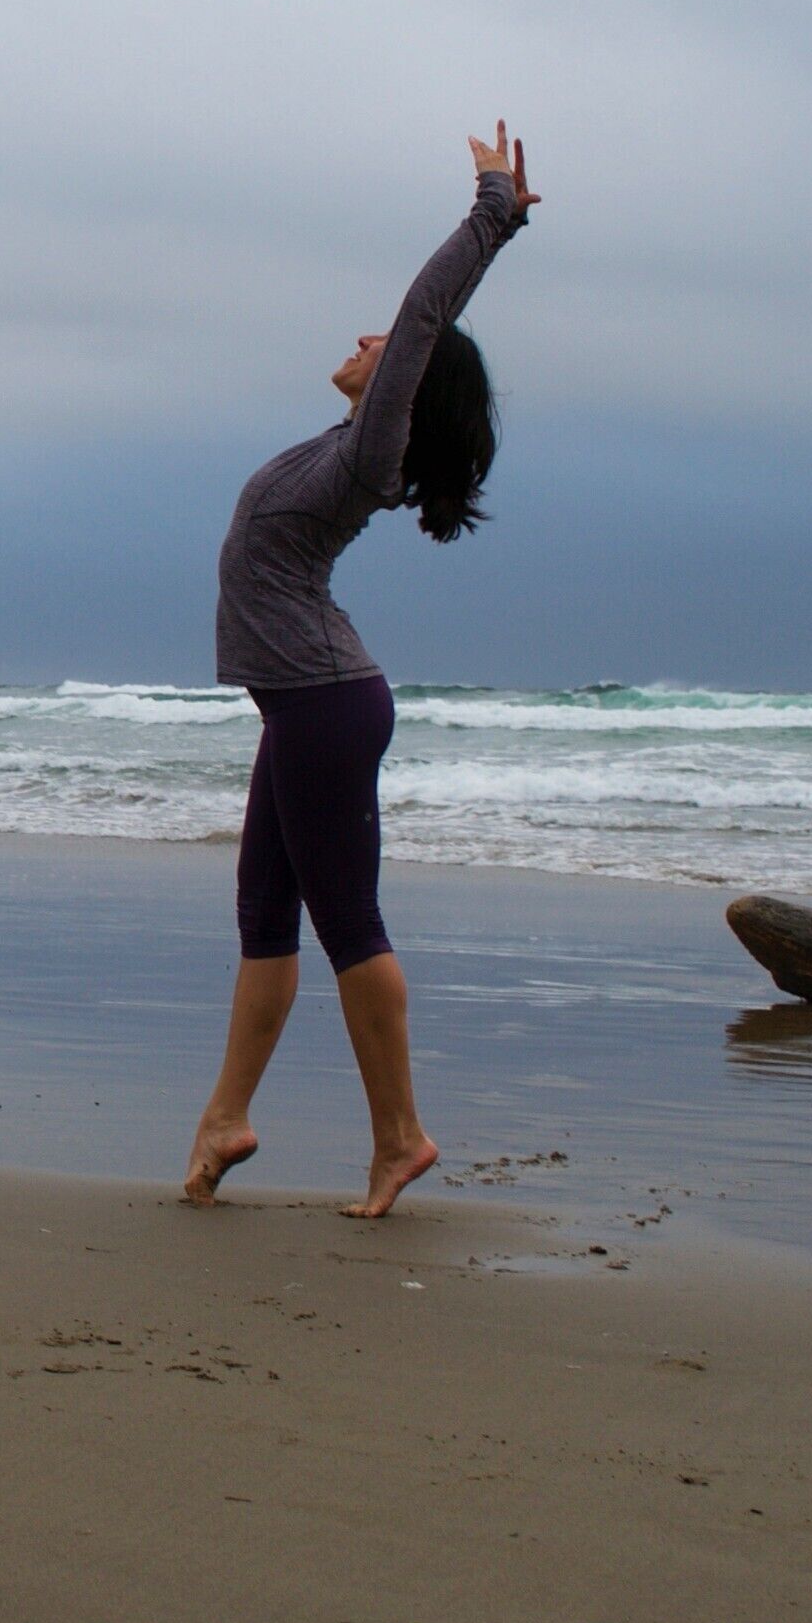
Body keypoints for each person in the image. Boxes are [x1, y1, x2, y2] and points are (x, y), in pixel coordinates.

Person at [185, 124, 536, 1215]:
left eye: (382, 342)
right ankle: (224, 1119)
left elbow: (428, 312)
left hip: (327, 706)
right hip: (300, 708)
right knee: (264, 916)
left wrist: (491, 213)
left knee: (349, 923)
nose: (365, 337)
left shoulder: (369, 453)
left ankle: (400, 1138)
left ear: (407, 384)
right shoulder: (338, 448)